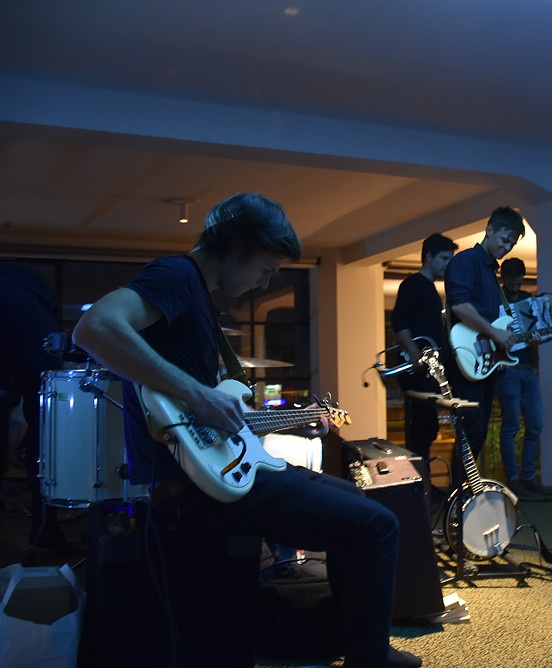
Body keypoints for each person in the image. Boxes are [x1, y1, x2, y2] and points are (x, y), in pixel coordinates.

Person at [72, 193, 420, 668]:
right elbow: (94, 328)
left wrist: (278, 420)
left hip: (212, 473)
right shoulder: (177, 276)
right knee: (377, 526)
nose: (266, 280)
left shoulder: (199, 300)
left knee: (355, 503)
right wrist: (198, 394)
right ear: (238, 246)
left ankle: (357, 643)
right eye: (266, 267)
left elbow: (211, 416)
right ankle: (369, 658)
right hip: (195, 491)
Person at [444, 205, 524, 483]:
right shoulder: (467, 261)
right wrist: (494, 332)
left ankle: (464, 493)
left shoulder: (490, 273)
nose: (507, 247)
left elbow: (493, 324)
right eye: (504, 239)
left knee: (476, 431)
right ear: (489, 230)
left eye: (512, 244)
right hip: (465, 356)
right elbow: (459, 305)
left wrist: (507, 337)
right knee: (472, 429)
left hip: (483, 359)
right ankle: (459, 495)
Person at [0, 261, 73, 553]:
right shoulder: (29, 294)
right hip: (22, 302)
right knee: (45, 413)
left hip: (21, 298)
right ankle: (45, 525)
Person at [390, 233, 457, 461]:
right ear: (429, 257)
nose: (447, 265)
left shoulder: (429, 288)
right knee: (421, 429)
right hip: (417, 369)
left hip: (426, 368)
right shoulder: (413, 284)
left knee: (426, 428)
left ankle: (423, 477)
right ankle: (421, 478)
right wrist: (414, 354)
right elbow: (399, 322)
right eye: (444, 259)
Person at [495, 257, 551, 498]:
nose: (516, 287)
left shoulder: (529, 300)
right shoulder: (494, 299)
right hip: (507, 370)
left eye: (519, 283)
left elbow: (539, 334)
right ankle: (513, 478)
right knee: (511, 426)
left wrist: (539, 339)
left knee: (535, 424)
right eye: (512, 283)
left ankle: (529, 477)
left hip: (529, 368)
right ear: (503, 279)